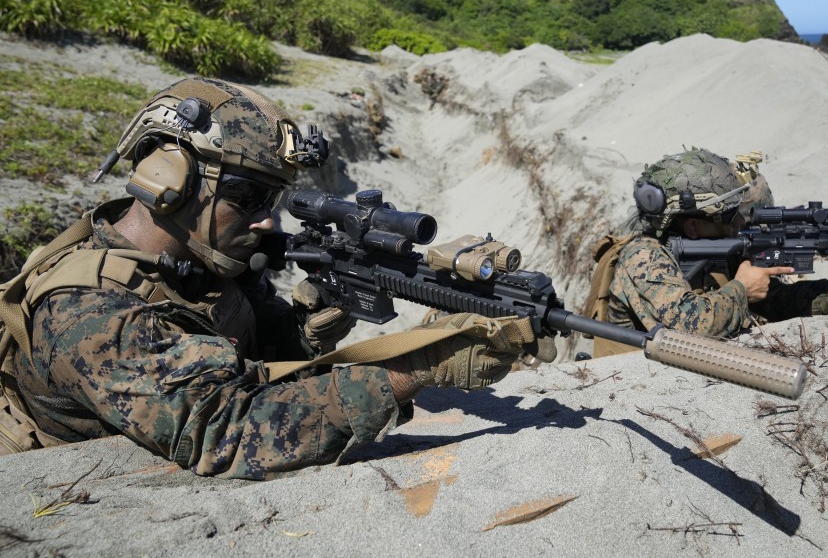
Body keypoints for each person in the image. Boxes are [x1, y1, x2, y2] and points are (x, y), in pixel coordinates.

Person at [1, 77, 533, 478]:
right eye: (249, 198)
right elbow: (225, 432)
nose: (266, 221)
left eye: (273, 200)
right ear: (168, 181)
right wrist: (415, 366)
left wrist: (316, 316)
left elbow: (255, 351)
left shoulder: (202, 258)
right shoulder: (85, 312)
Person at [586, 148, 828, 355]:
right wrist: (742, 290)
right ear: (692, 227)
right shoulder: (643, 257)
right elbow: (687, 327)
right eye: (729, 215)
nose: (740, 221)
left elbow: (777, 303)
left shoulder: (715, 250)